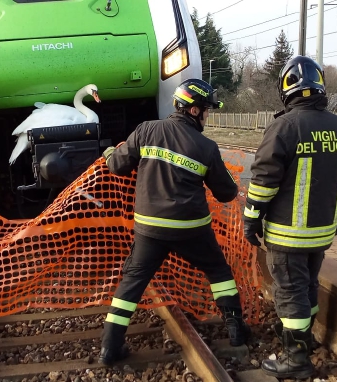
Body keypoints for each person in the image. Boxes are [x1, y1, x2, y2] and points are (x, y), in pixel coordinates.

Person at [99, 78, 251, 366]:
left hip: (150, 228)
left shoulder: (147, 130)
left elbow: (117, 164)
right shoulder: (206, 146)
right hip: (191, 228)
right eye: (206, 109)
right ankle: (236, 331)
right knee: (218, 270)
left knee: (132, 281)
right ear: (194, 111)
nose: (208, 115)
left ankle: (110, 346)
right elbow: (227, 192)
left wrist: (109, 154)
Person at [243, 56, 337, 380]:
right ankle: (303, 341)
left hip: (287, 234)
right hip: (322, 233)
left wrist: (251, 219)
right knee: (307, 286)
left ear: (286, 90)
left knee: (290, 292)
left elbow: (264, 181)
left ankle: (295, 359)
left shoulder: (284, 127)